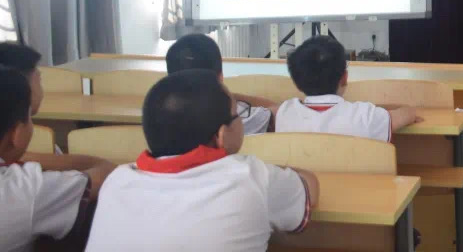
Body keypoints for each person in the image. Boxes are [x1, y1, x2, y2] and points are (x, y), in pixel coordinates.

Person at [85, 69, 319, 252]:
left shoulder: (116, 181)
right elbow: (309, 188)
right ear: (221, 136)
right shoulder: (251, 177)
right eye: (237, 115)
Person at [0, 66, 115, 252]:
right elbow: (106, 173)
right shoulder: (26, 189)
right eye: (30, 117)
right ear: (17, 133)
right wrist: (28, 158)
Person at [276, 35, 420, 139]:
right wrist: (408, 110)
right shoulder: (365, 116)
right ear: (344, 78)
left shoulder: (285, 114)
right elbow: (407, 114)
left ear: (296, 83)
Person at [165, 33, 278, 135]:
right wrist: (231, 96)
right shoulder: (235, 115)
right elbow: (277, 111)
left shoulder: (161, 116)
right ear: (220, 77)